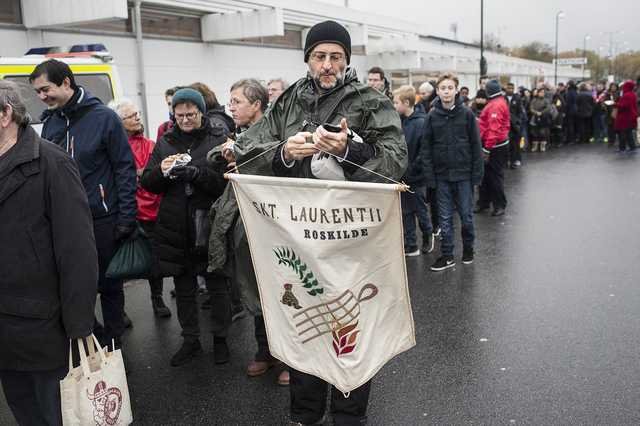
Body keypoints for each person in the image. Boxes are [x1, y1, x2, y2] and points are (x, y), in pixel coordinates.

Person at [217, 20, 406, 425]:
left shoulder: (368, 100)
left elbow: (396, 160)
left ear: (346, 61)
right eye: (319, 56)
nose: (327, 64)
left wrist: (352, 150)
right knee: (302, 327)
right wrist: (285, 150)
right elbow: (250, 149)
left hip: (351, 239)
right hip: (296, 238)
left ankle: (348, 416)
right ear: (307, 59)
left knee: (348, 328)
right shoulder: (287, 101)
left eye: (335, 56)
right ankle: (304, 415)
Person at [0, 80, 98, 426]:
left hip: (44, 325)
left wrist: (79, 324)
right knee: (24, 412)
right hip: (6, 327)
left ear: (5, 115)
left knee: (58, 415)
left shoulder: (52, 164)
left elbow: (77, 251)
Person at [30, 59, 137, 348]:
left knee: (110, 287)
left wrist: (127, 216)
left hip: (102, 218)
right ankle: (98, 340)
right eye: (37, 92)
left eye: (45, 89)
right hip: (66, 221)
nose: (41, 97)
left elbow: (124, 168)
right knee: (75, 287)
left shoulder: (104, 117)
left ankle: (115, 349)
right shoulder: (51, 122)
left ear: (66, 82)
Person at [140, 88, 231, 366]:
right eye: (179, 115)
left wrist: (197, 173)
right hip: (175, 222)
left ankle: (220, 339)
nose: (185, 119)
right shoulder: (166, 140)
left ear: (202, 112)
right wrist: (163, 172)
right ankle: (190, 339)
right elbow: (148, 182)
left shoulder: (218, 138)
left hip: (209, 221)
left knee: (217, 285)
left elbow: (226, 182)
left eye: (191, 114)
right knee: (184, 286)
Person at [224, 78, 290, 384]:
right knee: (254, 286)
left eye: (237, 101)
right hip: (247, 222)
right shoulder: (238, 134)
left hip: (274, 223)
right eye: (231, 101)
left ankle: (289, 357)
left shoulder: (274, 132)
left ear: (257, 105)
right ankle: (265, 351)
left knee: (283, 290)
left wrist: (241, 156)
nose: (232, 107)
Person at [110, 98, 171, 318]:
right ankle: (120, 310)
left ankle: (157, 299)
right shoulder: (112, 144)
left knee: (155, 261)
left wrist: (139, 173)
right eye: (132, 115)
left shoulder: (149, 144)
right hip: (125, 209)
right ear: (118, 121)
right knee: (122, 261)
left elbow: (156, 171)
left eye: (137, 114)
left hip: (153, 208)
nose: (138, 117)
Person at [422, 73, 484, 272]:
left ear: (456, 90)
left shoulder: (466, 114)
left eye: (450, 87)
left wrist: (477, 174)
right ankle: (447, 255)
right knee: (445, 219)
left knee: (466, 216)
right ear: (438, 91)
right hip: (442, 177)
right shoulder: (432, 116)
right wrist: (430, 177)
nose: (446, 91)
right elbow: (426, 148)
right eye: (443, 88)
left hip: (464, 176)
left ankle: (468, 249)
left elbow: (476, 145)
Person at [393, 85, 433, 255]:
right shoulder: (400, 122)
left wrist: (411, 171)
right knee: (405, 211)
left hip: (416, 177)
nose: (394, 106)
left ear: (407, 103)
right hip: (402, 176)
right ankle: (411, 244)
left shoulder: (421, 123)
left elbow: (424, 152)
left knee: (419, 209)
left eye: (396, 103)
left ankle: (427, 235)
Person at [476, 80, 510, 217]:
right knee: (486, 176)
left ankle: (499, 205)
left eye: (485, 87)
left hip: (495, 146)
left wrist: (487, 149)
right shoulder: (498, 101)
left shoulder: (495, 105)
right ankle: (485, 203)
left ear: (489, 90)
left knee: (494, 176)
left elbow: (494, 129)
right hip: (496, 144)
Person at [614, 80, 639, 153]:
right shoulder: (633, 94)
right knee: (628, 133)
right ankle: (632, 147)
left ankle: (622, 148)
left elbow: (623, 106)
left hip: (624, 117)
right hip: (630, 116)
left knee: (623, 133)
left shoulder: (626, 95)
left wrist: (615, 104)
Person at [505, 82, 524, 168]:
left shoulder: (517, 98)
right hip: (505, 125)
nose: (510, 90)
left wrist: (518, 121)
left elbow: (520, 112)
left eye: (512, 88)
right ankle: (506, 161)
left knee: (515, 144)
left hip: (515, 125)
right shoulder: (503, 98)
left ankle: (514, 161)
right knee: (506, 144)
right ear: (506, 89)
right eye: (508, 88)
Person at [528, 87, 552, 153]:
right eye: (541, 92)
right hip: (535, 118)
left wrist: (541, 112)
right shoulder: (534, 100)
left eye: (543, 92)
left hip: (543, 118)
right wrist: (536, 112)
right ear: (538, 93)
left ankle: (542, 146)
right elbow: (531, 108)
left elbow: (548, 108)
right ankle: (535, 146)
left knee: (542, 132)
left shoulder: (546, 100)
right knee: (534, 132)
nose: (542, 93)